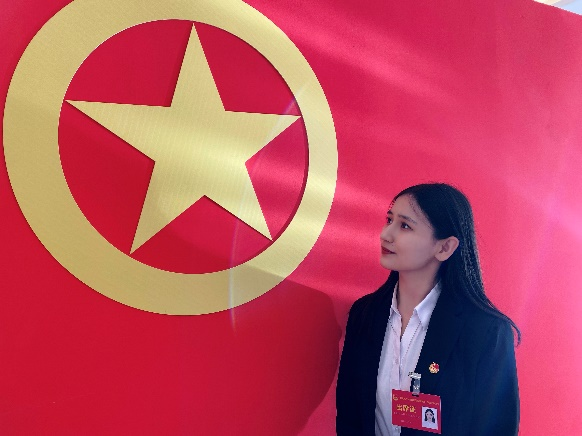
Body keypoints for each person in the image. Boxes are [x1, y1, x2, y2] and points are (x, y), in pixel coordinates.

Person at [336, 183, 520, 435]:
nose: (386, 234)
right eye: (389, 220)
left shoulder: (485, 331)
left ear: (444, 247)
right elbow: (349, 416)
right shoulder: (365, 314)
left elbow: (497, 429)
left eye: (405, 226)